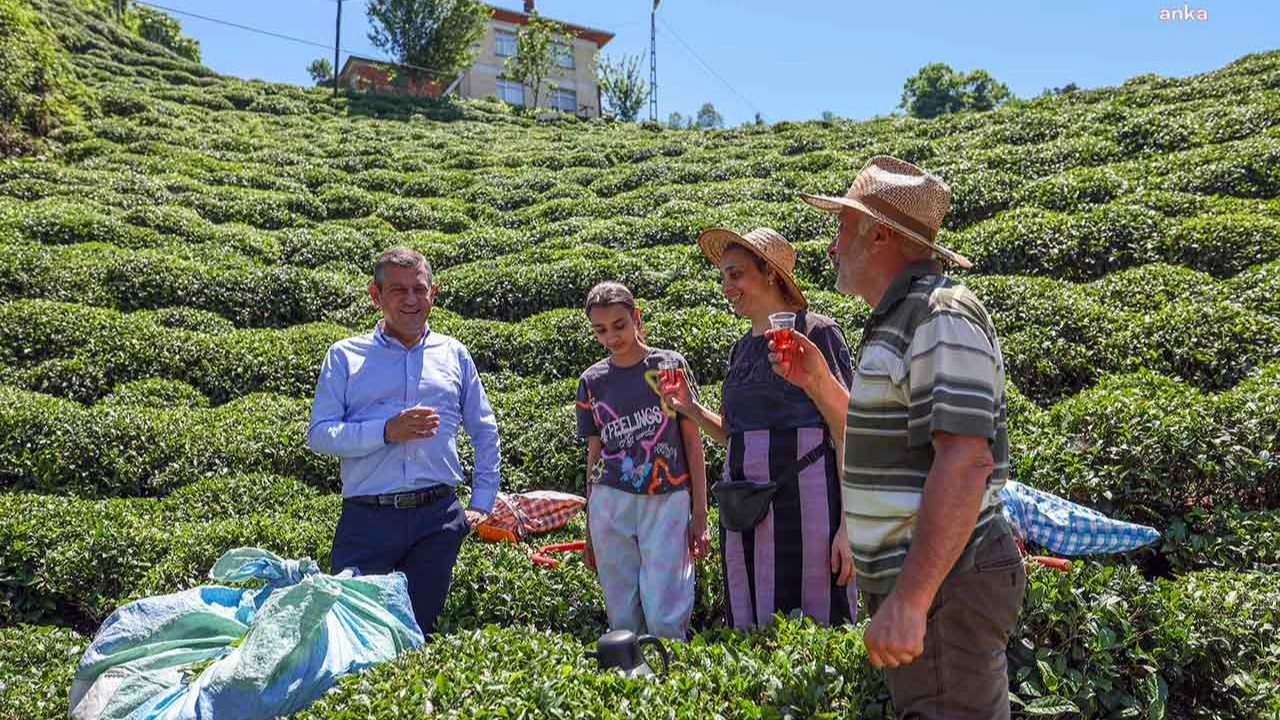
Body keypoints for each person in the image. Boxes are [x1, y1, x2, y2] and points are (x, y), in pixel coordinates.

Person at [778, 155, 1025, 719]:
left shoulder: (939, 314)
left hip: (945, 585)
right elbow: (877, 445)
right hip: (933, 583)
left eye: (843, 229)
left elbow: (965, 462)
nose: (833, 246)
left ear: (880, 236)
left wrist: (912, 601)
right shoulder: (899, 317)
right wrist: (818, 381)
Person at [660, 227, 857, 629]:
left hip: (807, 505)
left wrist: (850, 528)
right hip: (746, 512)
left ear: (769, 273)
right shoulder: (741, 349)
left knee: (812, 625)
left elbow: (845, 428)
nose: (726, 287)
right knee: (752, 629)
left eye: (736, 274)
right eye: (722, 277)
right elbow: (735, 435)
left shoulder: (816, 331)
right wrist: (691, 408)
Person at [306, 246, 501, 634]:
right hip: (368, 518)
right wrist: (385, 431)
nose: (411, 299)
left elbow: (484, 429)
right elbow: (320, 434)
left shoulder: (454, 354)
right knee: (353, 631)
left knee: (417, 632)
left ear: (433, 293)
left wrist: (481, 502)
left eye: (419, 289)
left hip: (437, 517)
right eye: (398, 290)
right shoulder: (345, 356)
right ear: (375, 296)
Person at [575, 282, 710, 640]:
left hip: (667, 495)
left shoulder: (669, 366)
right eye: (600, 330)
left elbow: (691, 441)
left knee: (666, 609)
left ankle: (667, 680)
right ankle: (631, 686)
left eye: (619, 325)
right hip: (610, 498)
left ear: (636, 317)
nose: (611, 337)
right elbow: (594, 452)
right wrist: (589, 525)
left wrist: (700, 512)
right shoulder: (591, 381)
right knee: (621, 613)